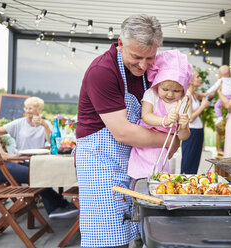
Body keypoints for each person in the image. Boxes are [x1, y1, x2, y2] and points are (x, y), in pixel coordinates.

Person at [76, 14, 180, 248]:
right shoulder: (102, 71)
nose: (143, 65)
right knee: (107, 239)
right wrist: (168, 140)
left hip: (134, 161)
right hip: (100, 163)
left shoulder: (150, 72)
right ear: (120, 43)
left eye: (150, 58)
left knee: (136, 231)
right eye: (136, 57)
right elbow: (122, 132)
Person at [0, 87, 78, 219]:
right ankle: (57, 206)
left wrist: (9, 156)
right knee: (35, 173)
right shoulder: (19, 123)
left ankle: (57, 205)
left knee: (38, 169)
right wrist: (6, 158)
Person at [127, 50, 191, 179]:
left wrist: (184, 127)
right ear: (157, 83)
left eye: (177, 91)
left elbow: (183, 137)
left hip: (163, 152)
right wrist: (165, 120)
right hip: (145, 144)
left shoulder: (182, 104)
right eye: (165, 89)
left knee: (159, 178)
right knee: (142, 177)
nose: (170, 94)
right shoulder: (152, 95)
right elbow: (146, 116)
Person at [181, 69, 210, 174]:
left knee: (194, 163)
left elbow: (208, 94)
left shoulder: (194, 94)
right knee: (188, 163)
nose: (200, 78)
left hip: (198, 131)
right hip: (191, 133)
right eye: (197, 76)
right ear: (191, 80)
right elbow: (190, 118)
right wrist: (202, 106)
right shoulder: (188, 96)